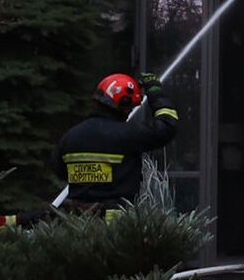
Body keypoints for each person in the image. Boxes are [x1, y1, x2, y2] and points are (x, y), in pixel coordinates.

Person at [54, 73, 178, 214]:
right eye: (130, 107)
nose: (130, 111)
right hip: (116, 227)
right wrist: (156, 93)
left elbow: (60, 171)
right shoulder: (127, 134)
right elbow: (167, 127)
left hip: (78, 226)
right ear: (123, 104)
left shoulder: (70, 137)